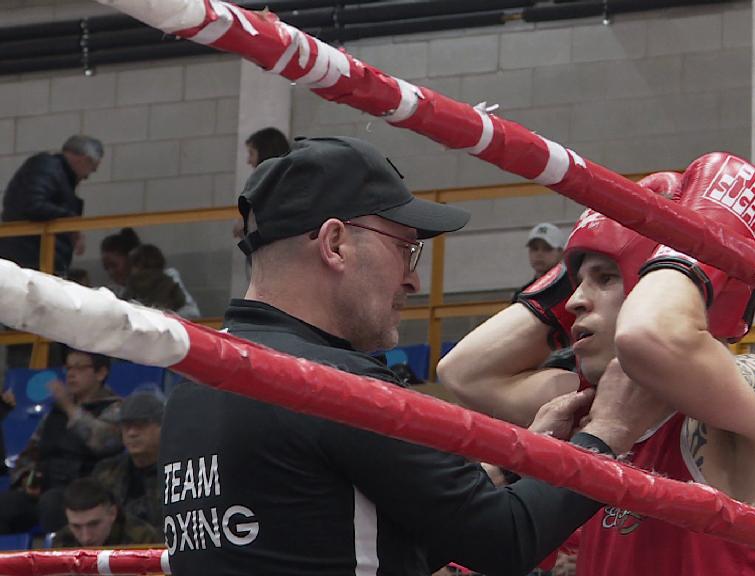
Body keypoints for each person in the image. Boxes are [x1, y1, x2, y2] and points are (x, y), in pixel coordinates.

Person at [160, 136, 667, 576]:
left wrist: (519, 465)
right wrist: (607, 436)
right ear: (335, 244)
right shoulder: (333, 386)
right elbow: (506, 541)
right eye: (405, 248)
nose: (414, 279)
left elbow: (348, 546)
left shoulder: (197, 380)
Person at [440, 154, 755, 575]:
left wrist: (700, 231)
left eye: (606, 278)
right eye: (575, 285)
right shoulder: (589, 408)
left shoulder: (749, 392)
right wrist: (594, 252)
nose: (573, 303)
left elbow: (650, 337)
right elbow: (464, 371)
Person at [0, 349, 122, 533]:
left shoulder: (115, 408)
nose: (71, 374)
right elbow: (31, 451)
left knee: (52, 503)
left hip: (86, 494)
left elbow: (104, 442)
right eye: (68, 368)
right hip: (45, 490)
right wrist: (27, 478)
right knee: (6, 505)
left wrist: (69, 407)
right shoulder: (56, 413)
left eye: (79, 368)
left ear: (101, 373)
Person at [0, 135, 102, 276]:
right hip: (30, 259)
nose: (87, 177)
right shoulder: (49, 166)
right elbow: (33, 204)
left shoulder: (53, 171)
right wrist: (72, 221)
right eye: (92, 169)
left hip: (32, 258)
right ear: (85, 159)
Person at [92, 391, 164, 532]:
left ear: (162, 427)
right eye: (126, 426)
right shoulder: (105, 472)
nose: (132, 433)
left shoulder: (179, 472)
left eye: (141, 425)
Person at [100, 228, 200, 318]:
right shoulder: (114, 292)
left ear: (131, 259)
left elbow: (192, 313)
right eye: (106, 268)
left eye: (114, 265)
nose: (111, 272)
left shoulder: (168, 277)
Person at [51, 477, 160, 548]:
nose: (86, 537)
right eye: (76, 526)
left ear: (112, 513)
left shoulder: (142, 540)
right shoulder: (63, 542)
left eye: (94, 524)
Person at [123, 244, 187, 313]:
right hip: (164, 318)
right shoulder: (167, 281)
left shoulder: (133, 283)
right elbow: (181, 300)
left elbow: (124, 304)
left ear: (138, 265)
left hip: (141, 319)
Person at [512, 223, 565, 300]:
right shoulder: (523, 294)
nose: (539, 254)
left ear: (561, 253)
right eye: (534, 248)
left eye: (547, 249)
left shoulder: (571, 290)